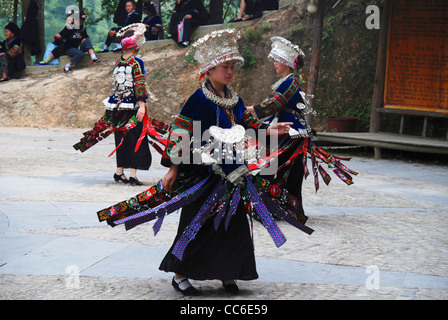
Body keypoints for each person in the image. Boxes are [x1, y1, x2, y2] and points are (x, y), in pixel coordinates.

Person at [73, 24, 152, 185]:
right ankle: (133, 175)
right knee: (136, 137)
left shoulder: (118, 62)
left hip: (117, 106)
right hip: (132, 107)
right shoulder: (136, 63)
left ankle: (119, 172)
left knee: (121, 137)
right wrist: (142, 105)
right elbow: (139, 85)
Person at [246, 36, 311, 213]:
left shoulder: (291, 81)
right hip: (286, 128)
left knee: (280, 168)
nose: (274, 63)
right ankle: (283, 207)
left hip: (289, 131)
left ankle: (276, 207)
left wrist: (247, 109)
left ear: (286, 62)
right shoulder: (288, 81)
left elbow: (274, 104)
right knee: (282, 169)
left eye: (277, 60)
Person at [35, 11, 100, 73]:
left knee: (87, 41)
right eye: (78, 21)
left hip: (77, 47)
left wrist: (84, 39)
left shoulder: (83, 28)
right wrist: (58, 36)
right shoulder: (69, 27)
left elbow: (86, 37)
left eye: (81, 22)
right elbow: (60, 37)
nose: (79, 23)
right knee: (80, 54)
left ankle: (93, 57)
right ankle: (67, 66)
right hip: (68, 48)